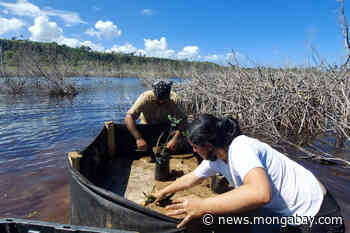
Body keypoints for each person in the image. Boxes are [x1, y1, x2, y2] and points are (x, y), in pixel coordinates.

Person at [153, 114, 345, 233]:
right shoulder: (216, 158)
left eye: (195, 147)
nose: (194, 151)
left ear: (208, 145)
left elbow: (260, 194)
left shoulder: (240, 148)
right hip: (286, 214)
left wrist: (202, 205)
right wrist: (164, 191)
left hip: (317, 216)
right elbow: (191, 178)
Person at [125, 80, 186, 152]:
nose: (161, 102)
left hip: (165, 128)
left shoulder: (175, 99)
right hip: (147, 127)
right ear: (154, 94)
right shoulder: (145, 97)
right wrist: (138, 138)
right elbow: (129, 117)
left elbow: (183, 120)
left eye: (164, 100)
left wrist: (175, 138)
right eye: (159, 99)